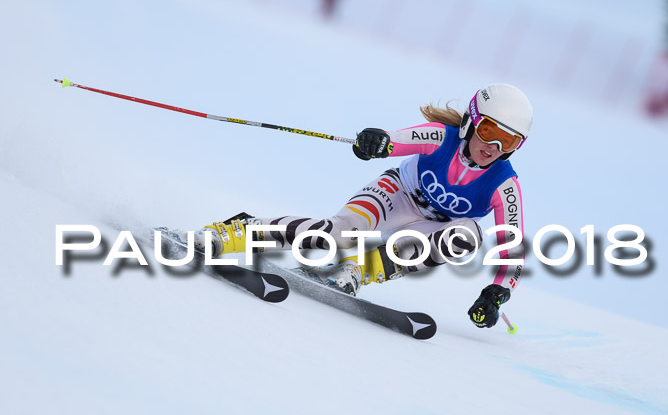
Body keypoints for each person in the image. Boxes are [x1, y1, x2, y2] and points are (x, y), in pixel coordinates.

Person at [173, 83, 532, 329]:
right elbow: (395, 141)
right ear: (471, 121)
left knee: (466, 235)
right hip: (398, 194)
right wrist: (374, 143)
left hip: (432, 227)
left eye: (508, 140)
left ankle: (356, 270)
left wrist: (498, 291)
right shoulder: (441, 137)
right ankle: (231, 234)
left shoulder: (504, 183)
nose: (493, 147)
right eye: (488, 132)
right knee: (338, 234)